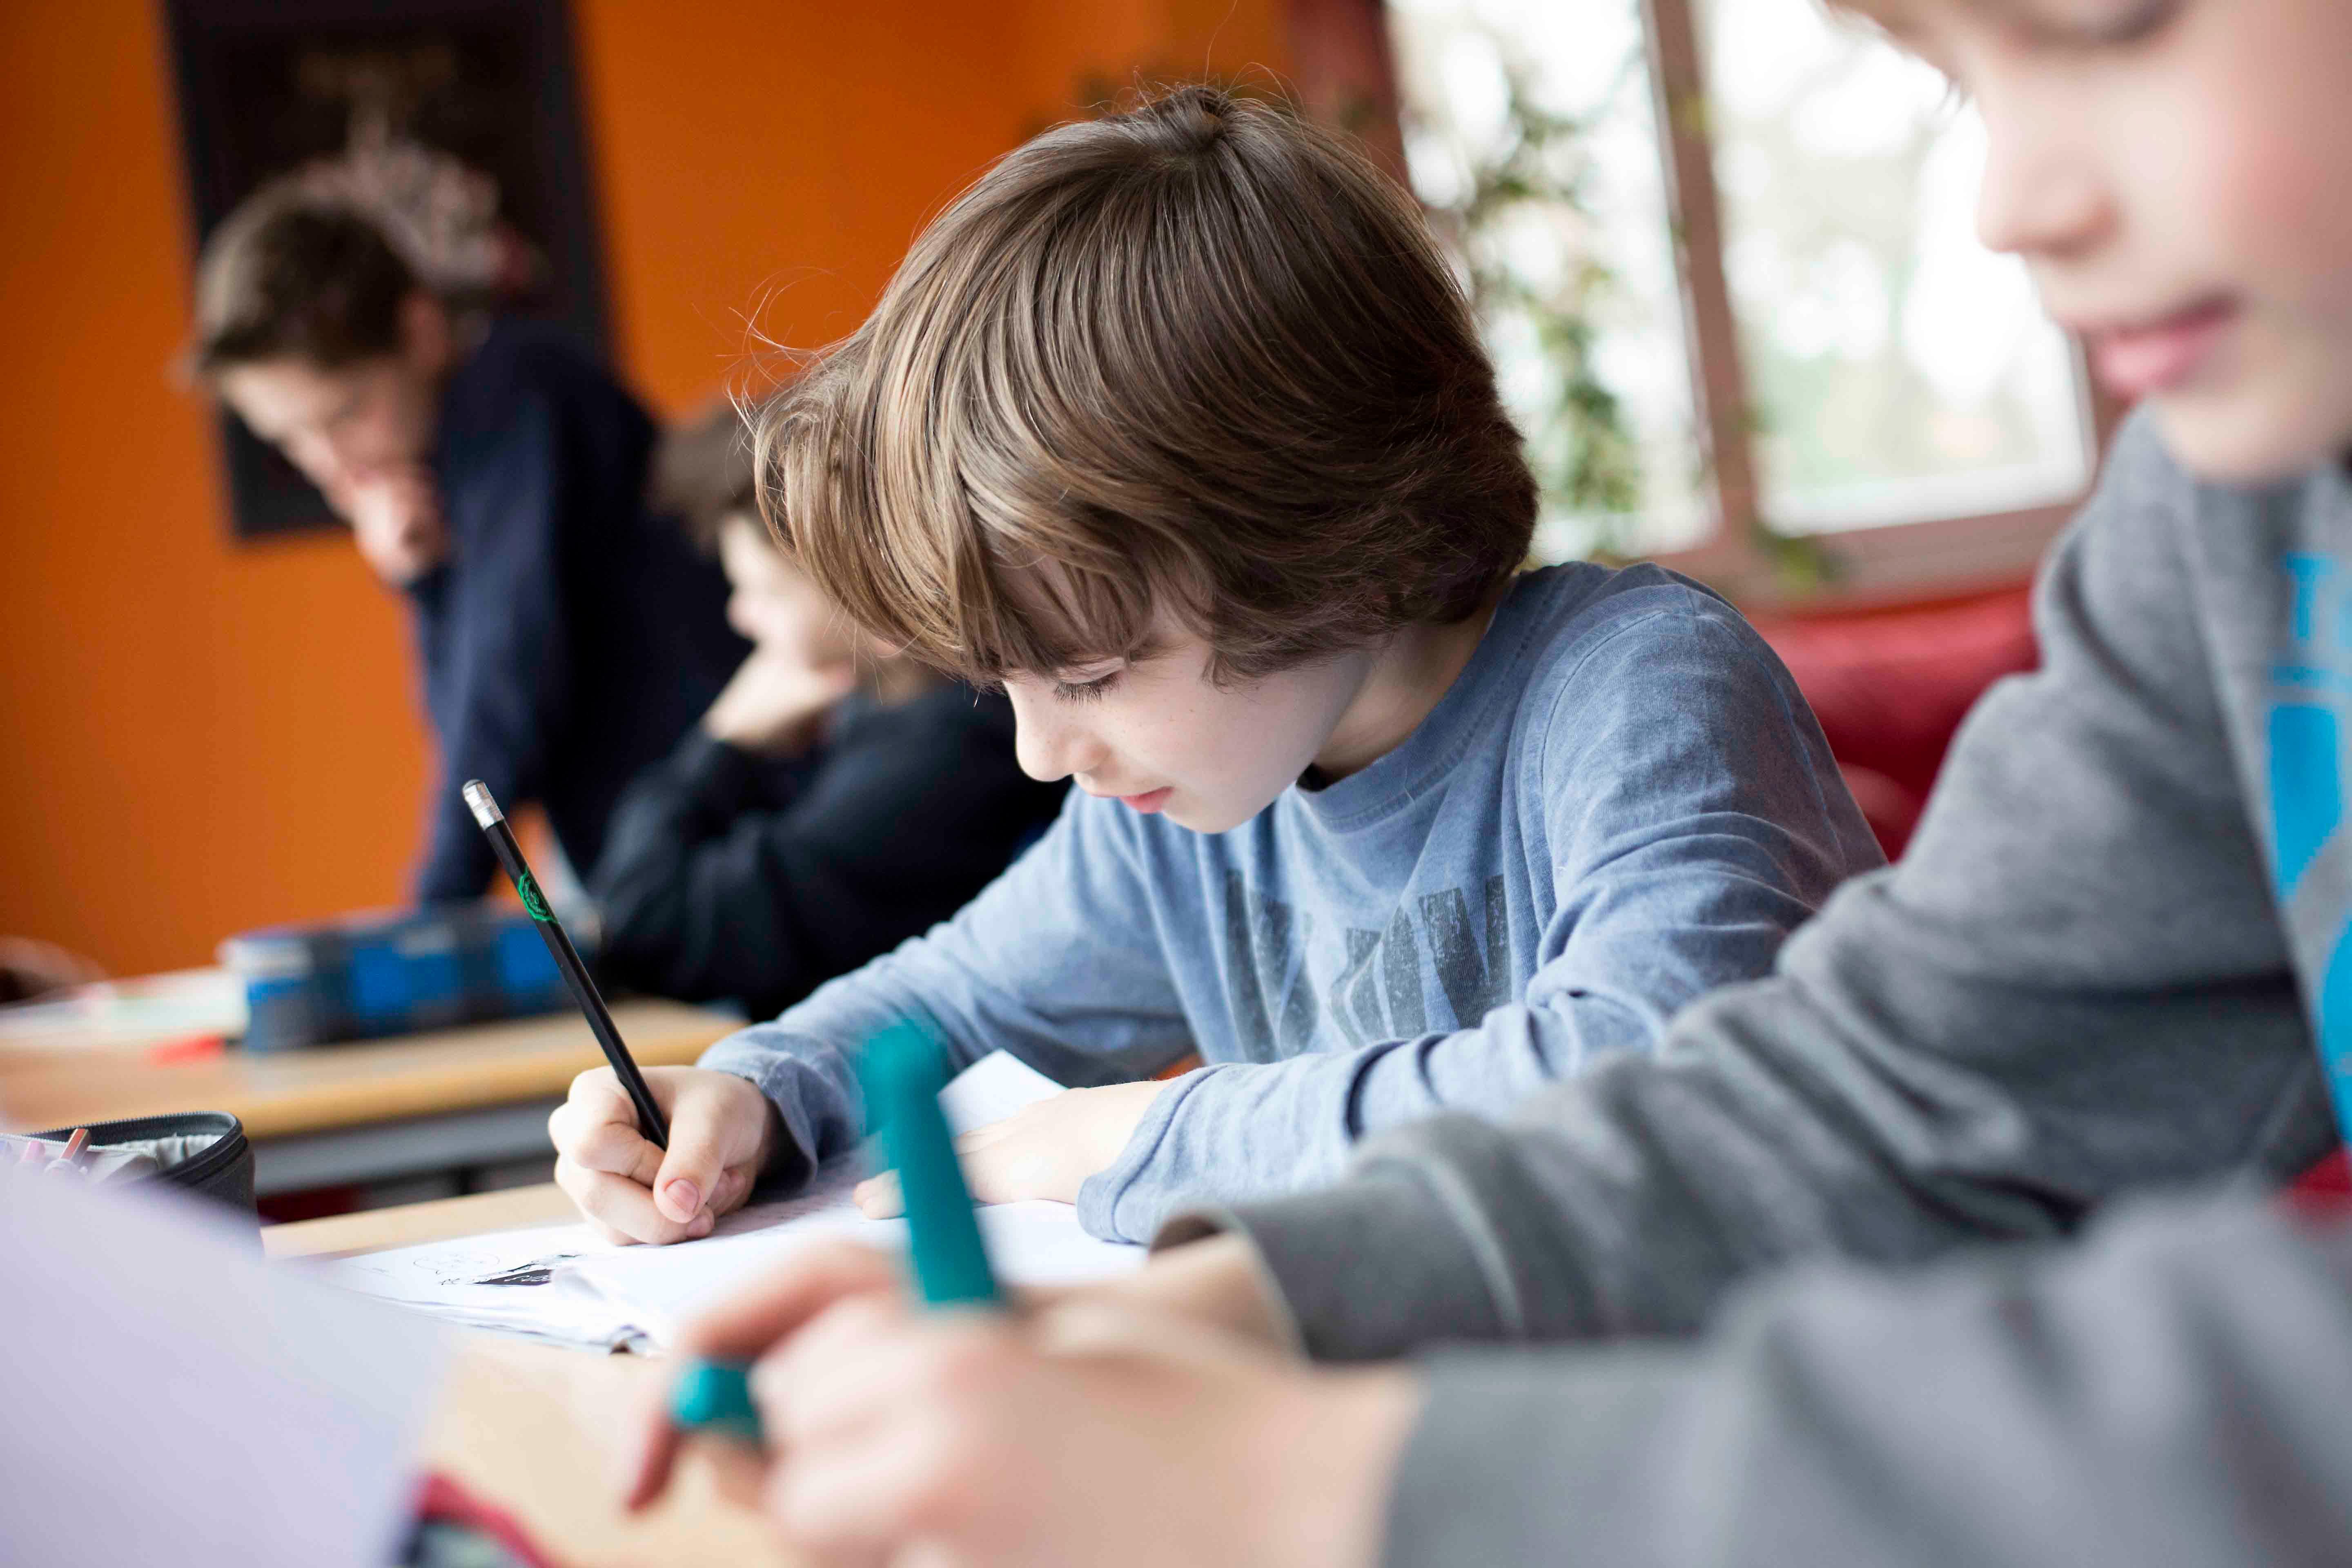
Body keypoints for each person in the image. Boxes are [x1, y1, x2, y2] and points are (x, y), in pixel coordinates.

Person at [625, 2, 2352, 1562]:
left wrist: (1244, 1354)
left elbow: (1678, 1061)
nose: (2007, 206)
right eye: (1958, 74)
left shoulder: (1626, 678)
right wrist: (1236, 1307)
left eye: (2110, 25)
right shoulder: (2240, 511)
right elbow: (1892, 1095)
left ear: (1311, 538)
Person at [546, 86, 1884, 1250]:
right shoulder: (1193, 811)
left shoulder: (1630, 686)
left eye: (1085, 669)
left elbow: (1653, 1074)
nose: (1038, 752)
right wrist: (758, 1095)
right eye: (1000, 679)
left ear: (1330, 543)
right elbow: (949, 1000)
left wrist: (1139, 1136)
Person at [191, 191, 746, 903]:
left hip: (721, 844)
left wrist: (430, 917)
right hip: (647, 845)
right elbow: (478, 705)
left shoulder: (517, 394)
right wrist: (423, 580)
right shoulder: (453, 456)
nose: (330, 462)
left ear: (420, 331)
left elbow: (504, 691)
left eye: (345, 413)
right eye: (291, 440)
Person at [588, 405, 1068, 1020]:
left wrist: (723, 740)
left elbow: (647, 922)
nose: (742, 617)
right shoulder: (879, 716)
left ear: (866, 594)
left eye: (767, 592)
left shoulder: (941, 753)